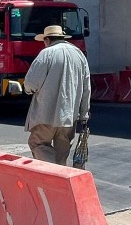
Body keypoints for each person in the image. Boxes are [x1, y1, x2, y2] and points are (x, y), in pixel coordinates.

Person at [24, 25, 91, 165]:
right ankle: (60, 182)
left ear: (47, 39)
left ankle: (52, 172)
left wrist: (28, 90)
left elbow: (30, 84)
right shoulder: (79, 55)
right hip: (69, 116)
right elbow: (86, 89)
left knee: (38, 144)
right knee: (62, 154)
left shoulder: (46, 54)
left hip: (46, 114)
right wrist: (84, 114)